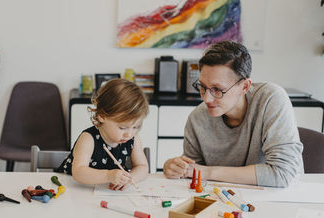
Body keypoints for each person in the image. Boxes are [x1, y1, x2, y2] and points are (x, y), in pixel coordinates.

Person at [163, 41, 303, 187]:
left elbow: (281, 173)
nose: (206, 98)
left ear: (244, 86)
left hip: (283, 198)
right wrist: (175, 167)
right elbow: (193, 175)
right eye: (202, 87)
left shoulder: (271, 99)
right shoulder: (197, 118)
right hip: (227, 200)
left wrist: (208, 172)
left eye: (217, 89)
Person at [57, 78, 149, 190]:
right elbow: (78, 172)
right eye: (122, 127)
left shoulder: (133, 138)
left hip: (105, 192)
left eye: (136, 127)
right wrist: (108, 175)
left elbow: (143, 167)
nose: (129, 134)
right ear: (102, 116)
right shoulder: (88, 138)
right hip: (72, 188)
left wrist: (129, 179)